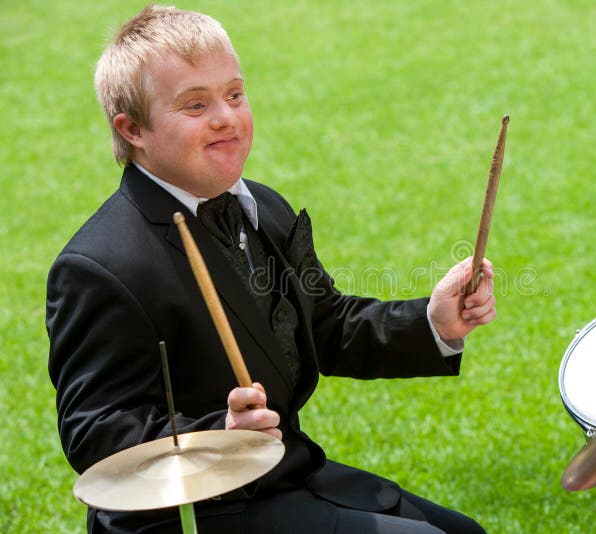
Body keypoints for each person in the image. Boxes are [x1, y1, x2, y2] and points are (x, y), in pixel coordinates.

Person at [46, 5, 496, 533]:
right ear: (133, 128)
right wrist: (219, 432)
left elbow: (325, 325)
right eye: (195, 104)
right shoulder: (99, 265)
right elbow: (93, 429)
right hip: (192, 513)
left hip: (288, 477)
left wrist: (433, 323)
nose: (226, 117)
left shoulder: (261, 207)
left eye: (234, 94)